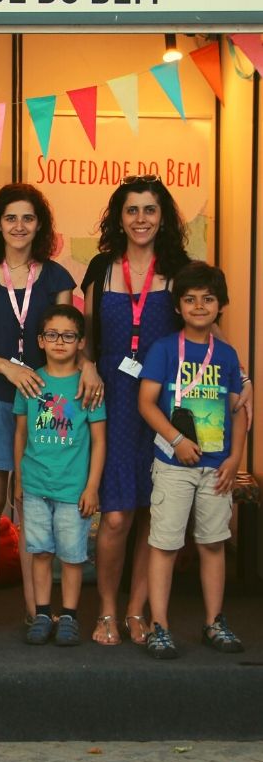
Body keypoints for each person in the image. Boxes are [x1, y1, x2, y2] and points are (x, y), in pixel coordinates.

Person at [0, 183, 97, 640]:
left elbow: (71, 335)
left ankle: (39, 611)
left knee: (38, 505)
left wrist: (87, 364)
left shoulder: (56, 278)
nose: (19, 226)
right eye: (10, 218)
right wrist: (8, 369)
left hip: (49, 404)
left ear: (40, 226)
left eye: (28, 218)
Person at [81, 175, 195, 646]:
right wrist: (87, 365)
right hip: (112, 396)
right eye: (132, 210)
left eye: (150, 210)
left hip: (165, 398)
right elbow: (86, 330)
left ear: (162, 216)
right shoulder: (102, 266)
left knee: (156, 511)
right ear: (119, 217)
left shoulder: (180, 268)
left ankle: (135, 611)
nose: (141, 219)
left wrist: (240, 378)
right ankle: (106, 609)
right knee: (116, 515)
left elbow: (202, 332)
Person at [138, 262, 247, 660]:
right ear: (178, 306)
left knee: (214, 544)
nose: (199, 306)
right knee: (164, 545)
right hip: (172, 463)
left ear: (221, 305)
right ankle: (159, 626)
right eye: (190, 299)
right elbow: (146, 404)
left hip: (217, 467)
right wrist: (178, 439)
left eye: (208, 299)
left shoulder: (229, 355)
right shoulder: (165, 349)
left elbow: (238, 410)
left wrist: (236, 458)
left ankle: (214, 621)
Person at [13, 304, 106, 646]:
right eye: (52, 335)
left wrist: (92, 486)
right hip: (36, 485)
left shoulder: (89, 387)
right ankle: (41, 613)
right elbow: (20, 434)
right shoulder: (31, 382)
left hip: (73, 489)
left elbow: (99, 441)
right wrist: (20, 481)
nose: (60, 342)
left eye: (68, 336)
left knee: (72, 554)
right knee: (39, 551)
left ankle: (68, 615)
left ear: (80, 342)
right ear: (40, 340)